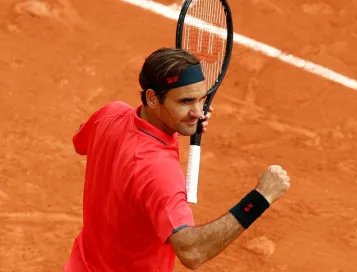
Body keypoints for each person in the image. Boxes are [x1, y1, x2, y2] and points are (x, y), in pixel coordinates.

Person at [64, 47, 291, 272]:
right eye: (185, 102)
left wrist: (181, 122)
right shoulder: (159, 170)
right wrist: (261, 197)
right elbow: (192, 252)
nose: (199, 112)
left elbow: (80, 141)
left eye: (201, 100)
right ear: (152, 99)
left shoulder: (110, 114)